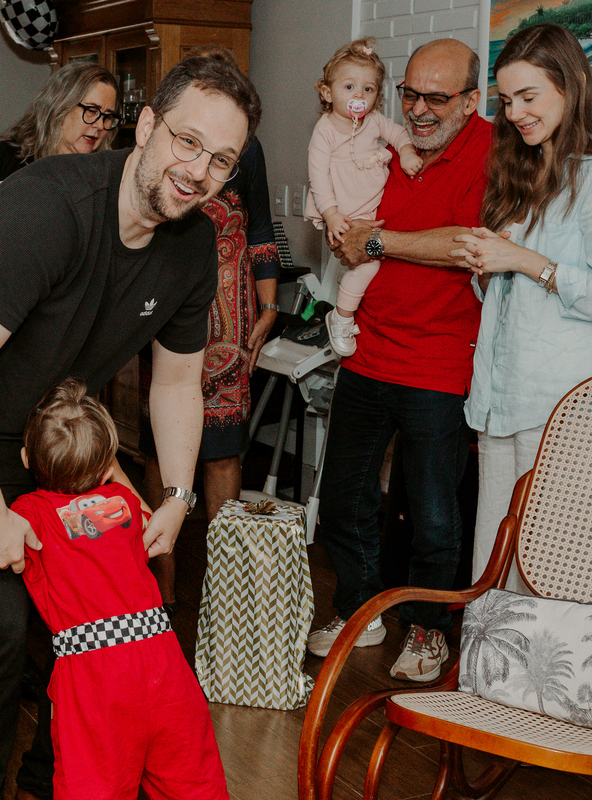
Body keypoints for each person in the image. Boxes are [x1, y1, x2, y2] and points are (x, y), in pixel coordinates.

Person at [0, 49, 259, 800]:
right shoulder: (49, 207)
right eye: (187, 141)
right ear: (146, 126)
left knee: (99, 601)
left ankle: (51, 780)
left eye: (221, 159)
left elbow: (176, 382)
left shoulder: (194, 244)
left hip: (43, 424)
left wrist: (178, 497)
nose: (198, 170)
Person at [0, 379, 228, 800]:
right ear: (107, 465)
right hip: (164, 663)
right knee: (190, 777)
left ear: (26, 458)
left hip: (95, 677)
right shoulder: (125, 503)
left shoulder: (34, 514)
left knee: (95, 782)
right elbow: (151, 521)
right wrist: (113, 473)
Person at [305, 38, 491, 684]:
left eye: (436, 98)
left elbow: (468, 243)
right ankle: (360, 608)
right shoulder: (377, 133)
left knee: (435, 515)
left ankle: (429, 627)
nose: (417, 109)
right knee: (342, 495)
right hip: (367, 349)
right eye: (409, 94)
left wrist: (378, 240)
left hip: (438, 360)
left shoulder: (488, 151)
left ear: (471, 101)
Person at [452, 24, 592, 590]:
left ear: (572, 87)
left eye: (528, 96)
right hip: (505, 401)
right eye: (506, 100)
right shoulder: (528, 174)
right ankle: (492, 654)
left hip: (570, 412)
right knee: (496, 568)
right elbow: (514, 298)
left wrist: (523, 260)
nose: (515, 113)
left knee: (555, 574)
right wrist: (487, 269)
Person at [137, 134, 281, 613]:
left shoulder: (250, 148)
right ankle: (160, 582)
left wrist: (269, 305)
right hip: (167, 300)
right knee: (159, 448)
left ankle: (226, 594)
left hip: (231, 315)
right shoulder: (171, 140)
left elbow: (260, 227)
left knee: (223, 450)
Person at [304, 38, 422, 357]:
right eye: (349, 87)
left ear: (377, 96)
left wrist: (407, 151)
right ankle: (342, 317)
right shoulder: (325, 131)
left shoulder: (373, 121)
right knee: (367, 266)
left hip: (370, 207)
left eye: (368, 89)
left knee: (373, 263)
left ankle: (347, 312)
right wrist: (330, 214)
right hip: (342, 209)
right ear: (328, 93)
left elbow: (399, 133)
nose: (359, 96)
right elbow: (318, 177)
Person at [0, 61, 119, 205]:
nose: (100, 125)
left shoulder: (102, 180)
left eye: (108, 116)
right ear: (60, 107)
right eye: (91, 110)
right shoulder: (3, 159)